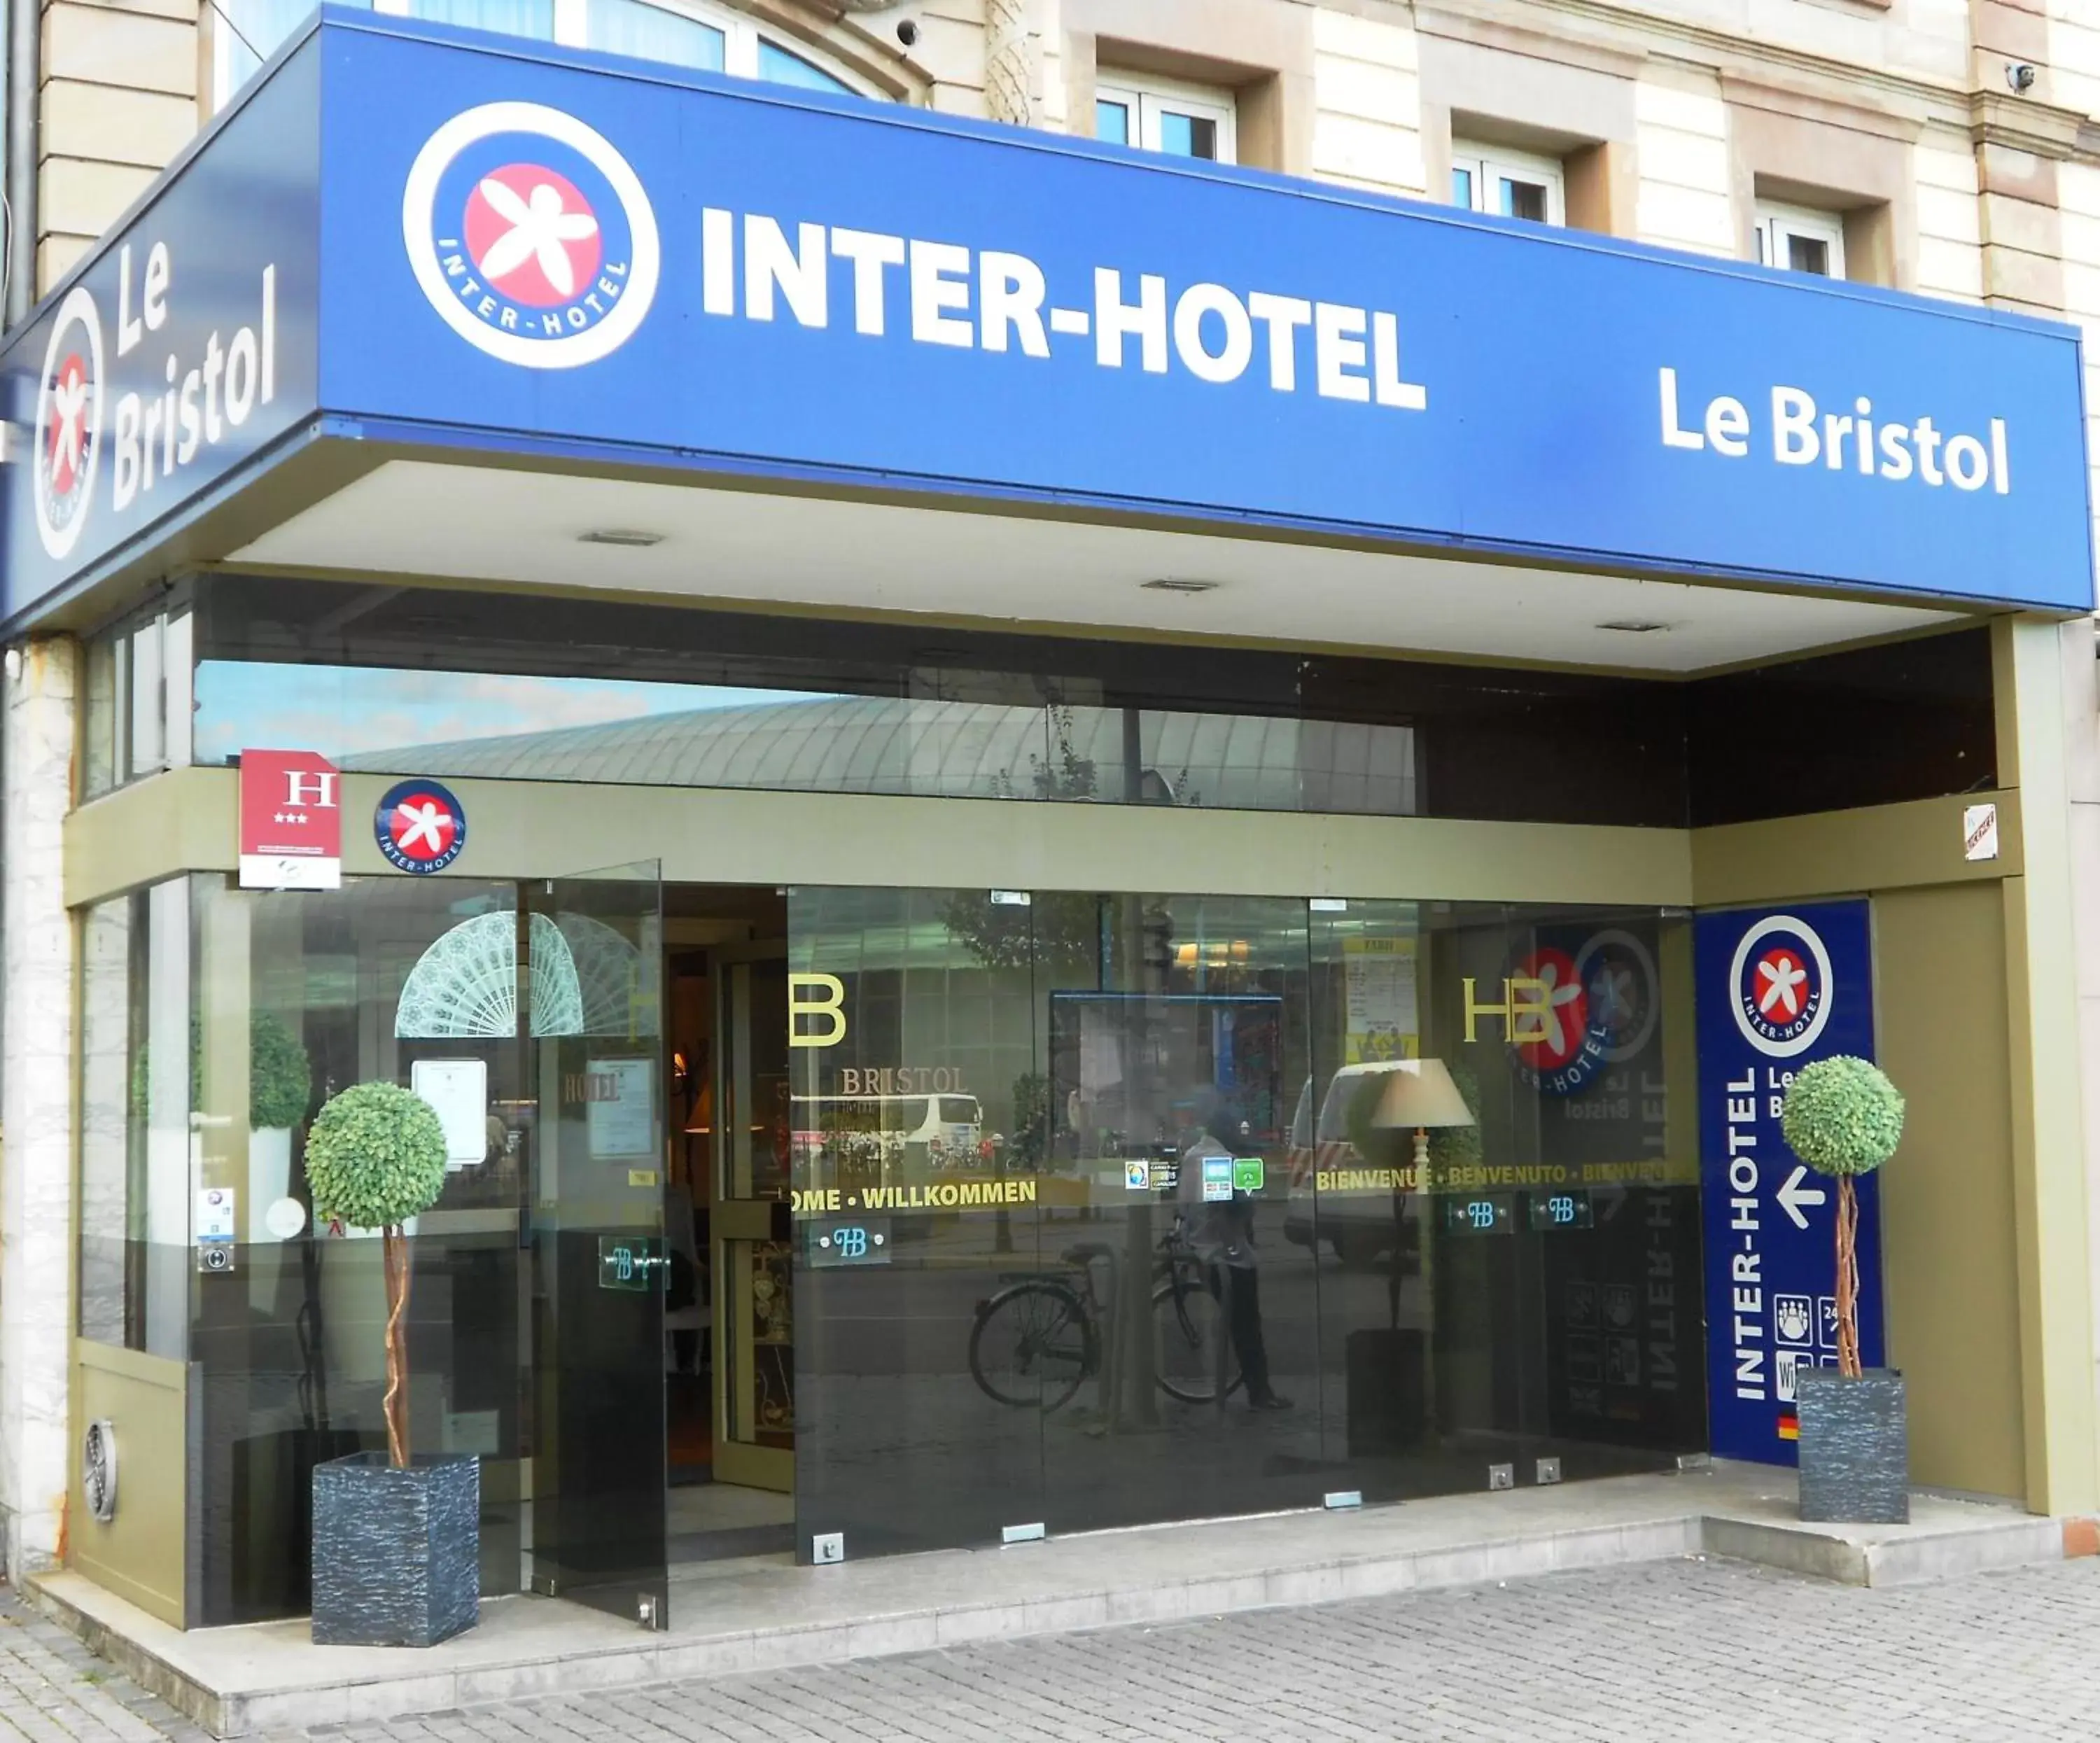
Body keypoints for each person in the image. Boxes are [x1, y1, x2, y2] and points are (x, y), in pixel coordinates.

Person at [1177, 1096, 1290, 1411]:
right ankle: (1260, 1392)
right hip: (1226, 1256)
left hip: (1199, 1250)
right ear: (1225, 1130)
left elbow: (1183, 1206)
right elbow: (1231, 1207)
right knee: (1247, 1325)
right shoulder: (1221, 1160)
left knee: (1241, 1323)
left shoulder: (1193, 1155)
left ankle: (1258, 1389)